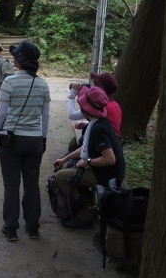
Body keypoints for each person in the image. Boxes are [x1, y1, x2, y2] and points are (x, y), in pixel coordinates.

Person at [0, 40, 51, 241]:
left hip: (12, 140)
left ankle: (11, 228)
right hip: (34, 141)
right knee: (32, 184)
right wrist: (42, 138)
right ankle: (32, 227)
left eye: (16, 56)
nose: (13, 58)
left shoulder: (10, 82)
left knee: (11, 185)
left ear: (20, 60)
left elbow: (1, 112)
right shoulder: (42, 84)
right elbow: (45, 115)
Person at [53, 86, 125, 229]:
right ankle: (84, 202)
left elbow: (110, 159)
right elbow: (85, 148)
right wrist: (65, 159)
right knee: (66, 166)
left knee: (61, 176)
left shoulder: (99, 128)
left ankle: (85, 213)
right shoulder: (96, 122)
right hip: (102, 169)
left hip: (107, 174)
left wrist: (88, 162)